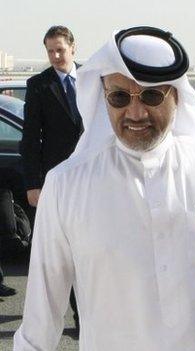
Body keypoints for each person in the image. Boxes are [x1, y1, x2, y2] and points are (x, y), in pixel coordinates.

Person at [14, 26, 195, 351]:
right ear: (103, 97)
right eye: (119, 97)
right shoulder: (66, 186)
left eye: (151, 95)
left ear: (176, 95)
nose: (135, 112)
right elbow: (41, 318)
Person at [19, 25, 83, 330]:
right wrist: (33, 183)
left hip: (93, 178)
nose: (56, 56)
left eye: (60, 49)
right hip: (56, 181)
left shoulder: (95, 78)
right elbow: (30, 139)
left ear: (73, 48)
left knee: (91, 247)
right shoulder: (39, 86)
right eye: (50, 51)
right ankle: (69, 314)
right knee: (62, 249)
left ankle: (87, 312)